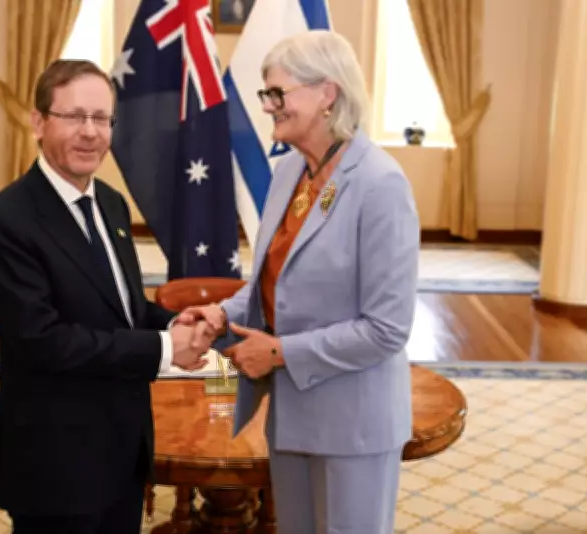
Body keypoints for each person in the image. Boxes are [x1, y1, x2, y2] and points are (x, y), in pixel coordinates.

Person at [178, 30, 420, 533]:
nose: (267, 106)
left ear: (327, 93)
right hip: (291, 416)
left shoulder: (381, 184)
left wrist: (281, 352)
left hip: (354, 425)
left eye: (276, 93)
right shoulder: (289, 172)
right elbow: (273, 285)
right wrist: (223, 314)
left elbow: (386, 329)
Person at [0, 59, 213, 534]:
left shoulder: (110, 202)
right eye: (74, 116)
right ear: (39, 123)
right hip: (57, 464)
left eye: (102, 118)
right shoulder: (7, 220)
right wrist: (165, 351)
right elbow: (43, 342)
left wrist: (170, 322)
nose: (91, 132)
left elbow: (120, 306)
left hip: (123, 448)